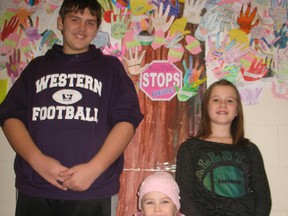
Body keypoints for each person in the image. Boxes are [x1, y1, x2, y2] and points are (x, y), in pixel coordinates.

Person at [0, 0, 143, 215]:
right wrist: (38, 161)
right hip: (35, 187)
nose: (82, 28)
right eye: (75, 19)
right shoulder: (36, 67)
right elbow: (10, 116)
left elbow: (128, 120)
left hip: (93, 189)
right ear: (60, 22)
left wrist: (93, 169)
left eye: (90, 23)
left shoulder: (111, 68)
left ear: (96, 30)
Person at [175, 79, 271, 216]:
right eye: (216, 100)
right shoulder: (189, 149)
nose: (223, 104)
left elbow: (263, 199)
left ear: (237, 110)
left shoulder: (250, 150)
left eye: (230, 100)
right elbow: (186, 199)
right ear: (206, 107)